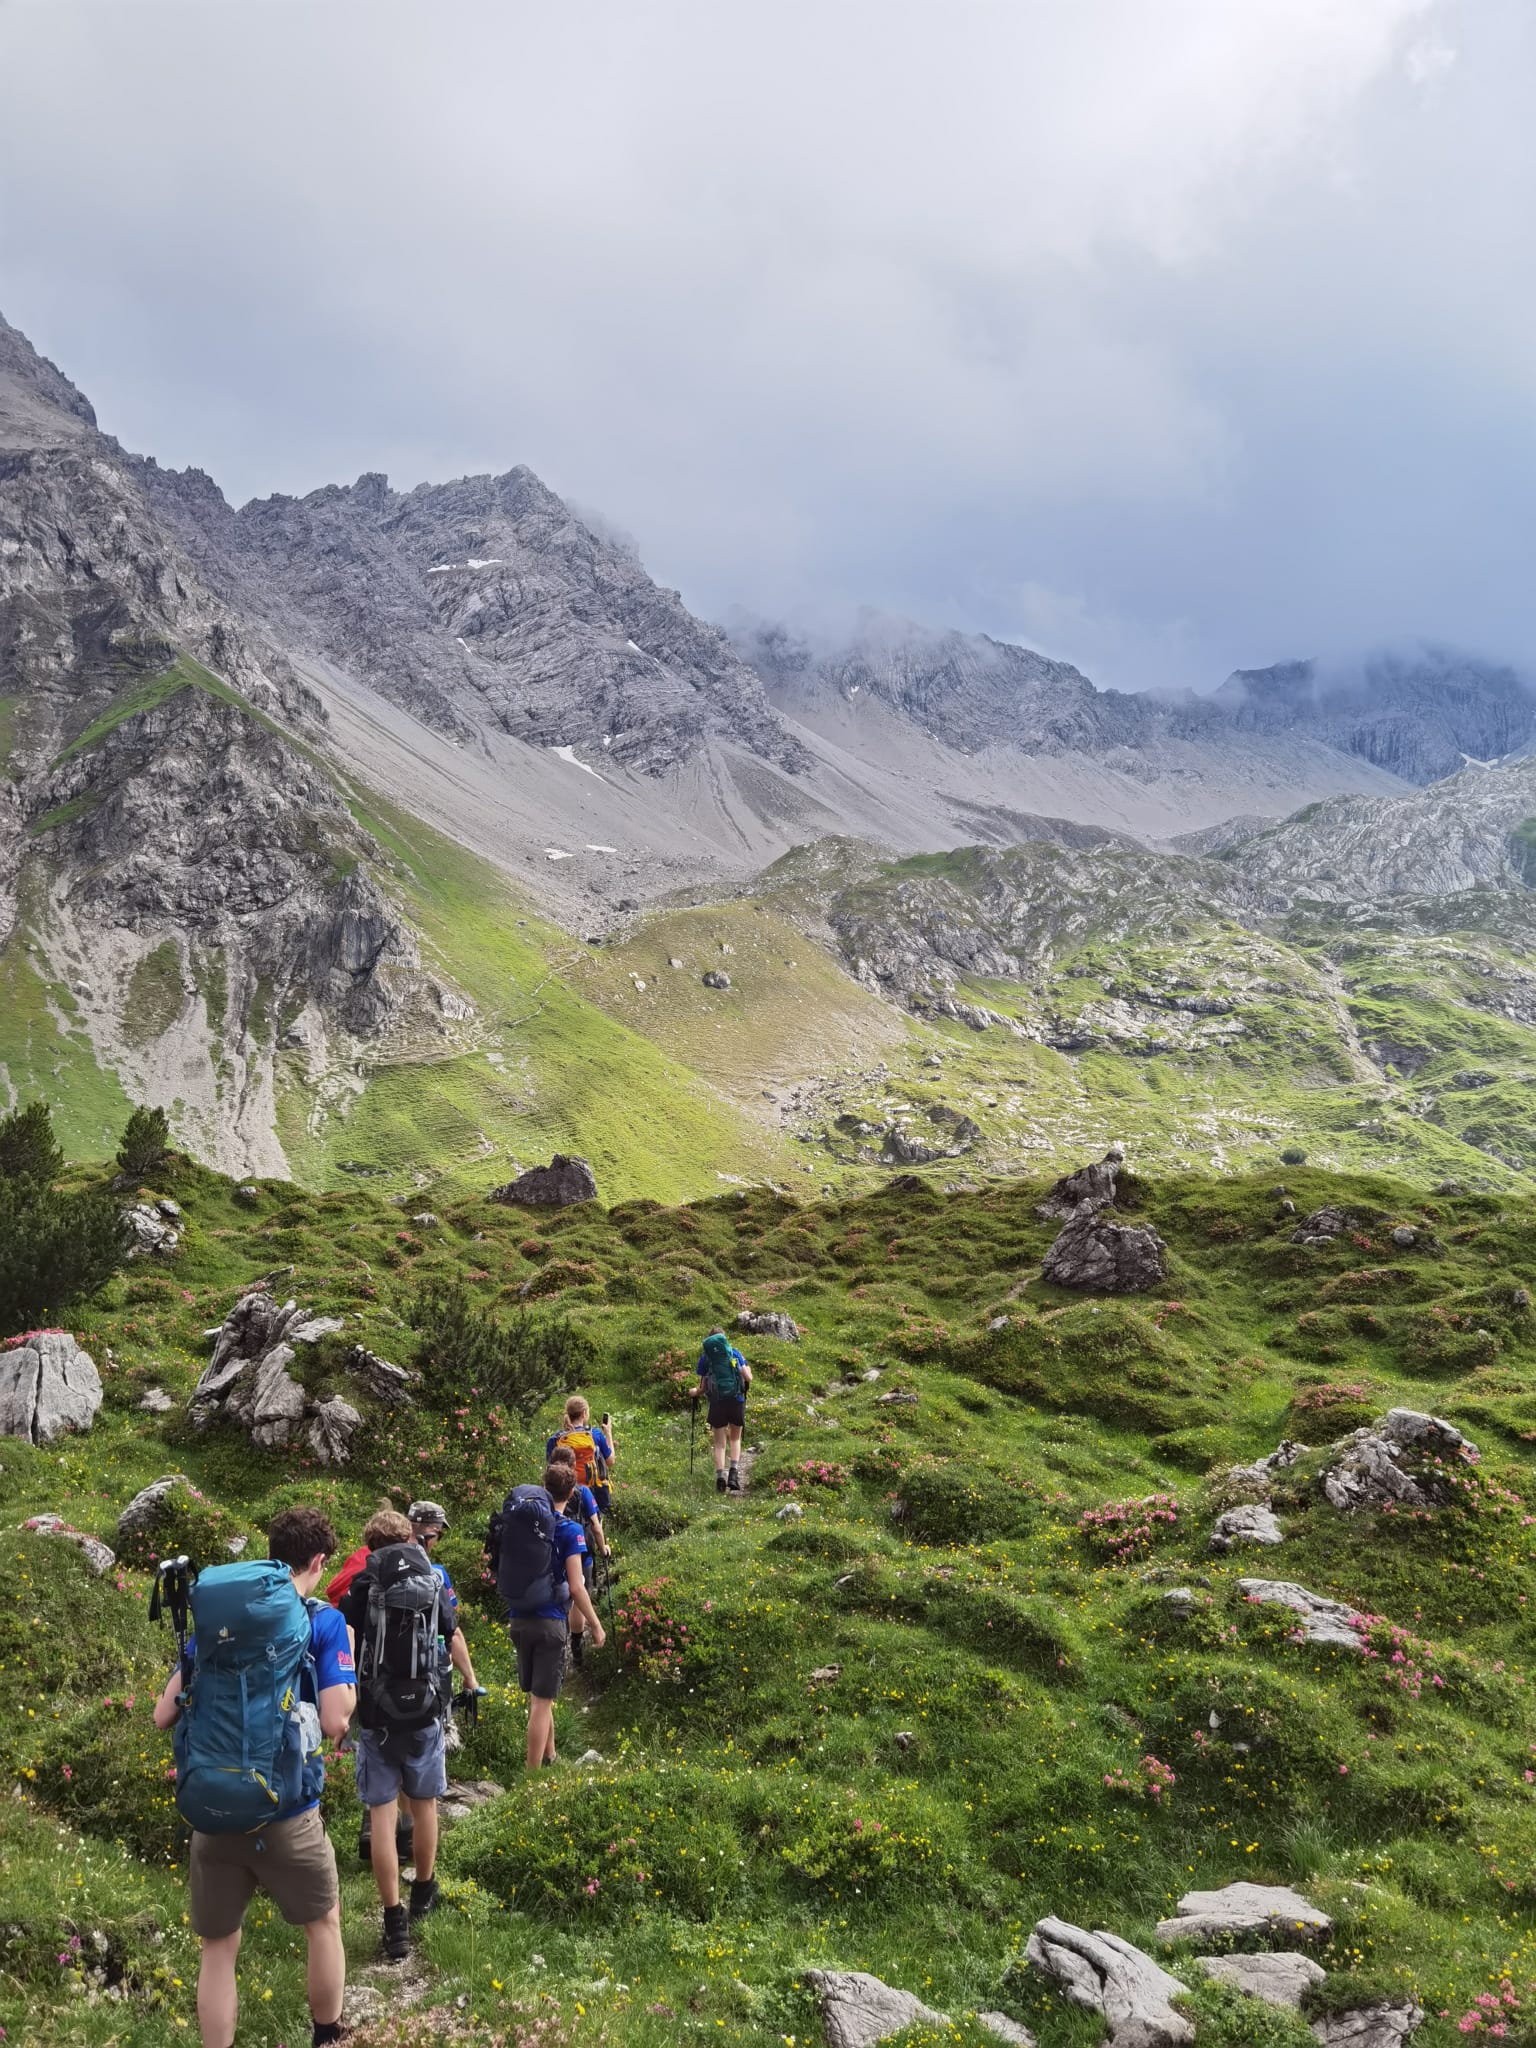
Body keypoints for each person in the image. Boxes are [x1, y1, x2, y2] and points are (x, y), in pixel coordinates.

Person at [152, 1508, 355, 2048]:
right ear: (318, 1561)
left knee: (219, 1949)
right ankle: (327, 2036)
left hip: (213, 1811)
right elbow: (336, 1719)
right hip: (288, 1812)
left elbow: (162, 1714)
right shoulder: (322, 1619)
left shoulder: (226, 1622)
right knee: (324, 1924)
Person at [337, 1509, 458, 1960]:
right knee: (425, 1809)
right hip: (424, 1711)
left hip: (377, 1717)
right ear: (408, 1538)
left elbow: (345, 1642)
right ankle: (424, 1892)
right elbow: (448, 1629)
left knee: (384, 1819)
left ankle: (394, 1921)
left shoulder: (363, 1586)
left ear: (370, 1547)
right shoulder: (430, 1578)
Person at [490, 1462, 607, 1769]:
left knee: (539, 1696)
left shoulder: (526, 1526)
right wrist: (595, 1625)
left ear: (544, 1486)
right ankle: (531, 1775)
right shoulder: (569, 1530)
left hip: (517, 1618)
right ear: (572, 1492)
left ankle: (550, 1755)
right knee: (542, 1703)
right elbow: (577, 1587)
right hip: (550, 1622)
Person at [406, 1499, 484, 1698]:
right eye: (439, 1535)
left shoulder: (380, 1564)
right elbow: (452, 1631)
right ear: (431, 1532)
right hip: (424, 1674)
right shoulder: (436, 1575)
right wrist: (470, 1679)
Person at [545, 1445, 611, 1667]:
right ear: (575, 1467)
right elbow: (595, 1526)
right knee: (577, 1596)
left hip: (550, 1556)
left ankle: (556, 1641)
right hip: (581, 1554)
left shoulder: (542, 1494)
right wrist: (603, 1549)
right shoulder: (583, 1492)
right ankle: (575, 1644)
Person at [693, 1329, 753, 1491]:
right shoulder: (734, 1353)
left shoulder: (706, 1358)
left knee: (719, 1444)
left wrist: (694, 1393)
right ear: (724, 1339)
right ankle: (733, 1473)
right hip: (737, 1400)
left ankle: (720, 1478)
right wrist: (747, 1368)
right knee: (735, 1438)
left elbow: (703, 1387)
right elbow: (748, 1378)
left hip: (717, 1403)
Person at [546, 1396, 616, 1515]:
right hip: (593, 1493)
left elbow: (550, 1467)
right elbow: (610, 1461)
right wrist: (608, 1433)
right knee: (594, 1524)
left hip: (564, 1493)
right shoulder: (595, 1435)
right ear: (584, 1414)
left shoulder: (555, 1439)